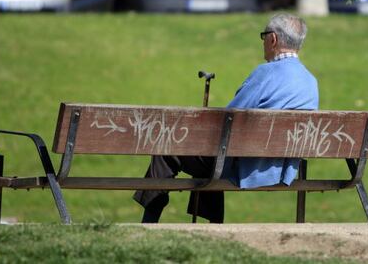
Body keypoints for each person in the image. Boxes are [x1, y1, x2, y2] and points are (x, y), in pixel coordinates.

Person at [133, 13, 319, 223]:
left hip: (248, 165)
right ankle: (213, 224)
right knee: (215, 153)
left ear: (273, 39)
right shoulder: (310, 81)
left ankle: (149, 223)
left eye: (264, 36)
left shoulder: (265, 74)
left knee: (167, 148)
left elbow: (227, 119)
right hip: (283, 169)